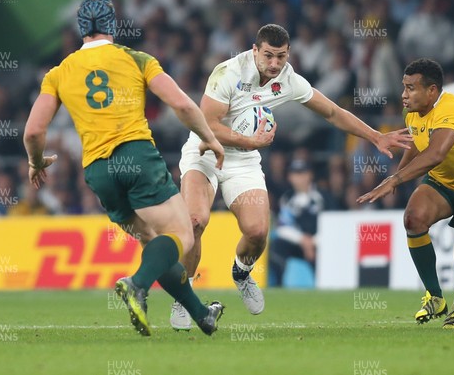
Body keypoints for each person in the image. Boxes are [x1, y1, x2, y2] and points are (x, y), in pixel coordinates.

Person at [170, 23, 412, 330]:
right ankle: (183, 295)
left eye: (280, 57)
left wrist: (376, 136)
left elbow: (333, 113)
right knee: (195, 221)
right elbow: (207, 124)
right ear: (254, 51)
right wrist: (252, 141)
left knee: (258, 231)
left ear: (288, 54)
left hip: (243, 161)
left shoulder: (287, 79)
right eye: (268, 56)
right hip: (205, 151)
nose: (273, 64)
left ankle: (242, 273)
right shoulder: (228, 72)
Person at [23, 0, 226, 337]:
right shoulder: (136, 58)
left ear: (80, 29)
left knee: (152, 244)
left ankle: (201, 314)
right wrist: (209, 136)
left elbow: (33, 130)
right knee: (181, 235)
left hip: (99, 174)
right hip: (136, 157)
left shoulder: (58, 73)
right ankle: (137, 285)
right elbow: (181, 104)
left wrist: (36, 161)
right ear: (113, 25)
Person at [357, 58, 454, 329]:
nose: (404, 95)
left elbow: (436, 152)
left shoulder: (451, 108)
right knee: (413, 219)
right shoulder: (412, 113)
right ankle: (435, 296)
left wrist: (395, 178)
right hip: (442, 182)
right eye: (403, 87)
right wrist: (394, 180)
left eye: (410, 88)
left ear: (432, 91)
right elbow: (418, 145)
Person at [268, 159, 324, 286]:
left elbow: (333, 225)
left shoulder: (323, 196)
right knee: (277, 245)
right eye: (295, 174)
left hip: (321, 244)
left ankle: (325, 287)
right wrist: (303, 240)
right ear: (290, 177)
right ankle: (278, 287)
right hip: (298, 243)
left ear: (310, 175)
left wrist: (313, 242)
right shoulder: (287, 198)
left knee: (329, 250)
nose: (299, 178)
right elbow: (282, 227)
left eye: (303, 173)